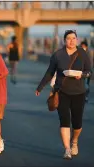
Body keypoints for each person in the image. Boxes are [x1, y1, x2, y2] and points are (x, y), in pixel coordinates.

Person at [35, 30, 92, 159]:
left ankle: (74, 141)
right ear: (64, 40)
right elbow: (50, 72)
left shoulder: (82, 53)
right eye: (68, 38)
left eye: (73, 38)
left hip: (78, 92)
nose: (71, 41)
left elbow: (89, 72)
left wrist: (81, 75)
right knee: (64, 120)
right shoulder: (58, 55)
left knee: (77, 123)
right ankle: (67, 149)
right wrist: (40, 86)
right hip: (61, 92)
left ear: (76, 40)